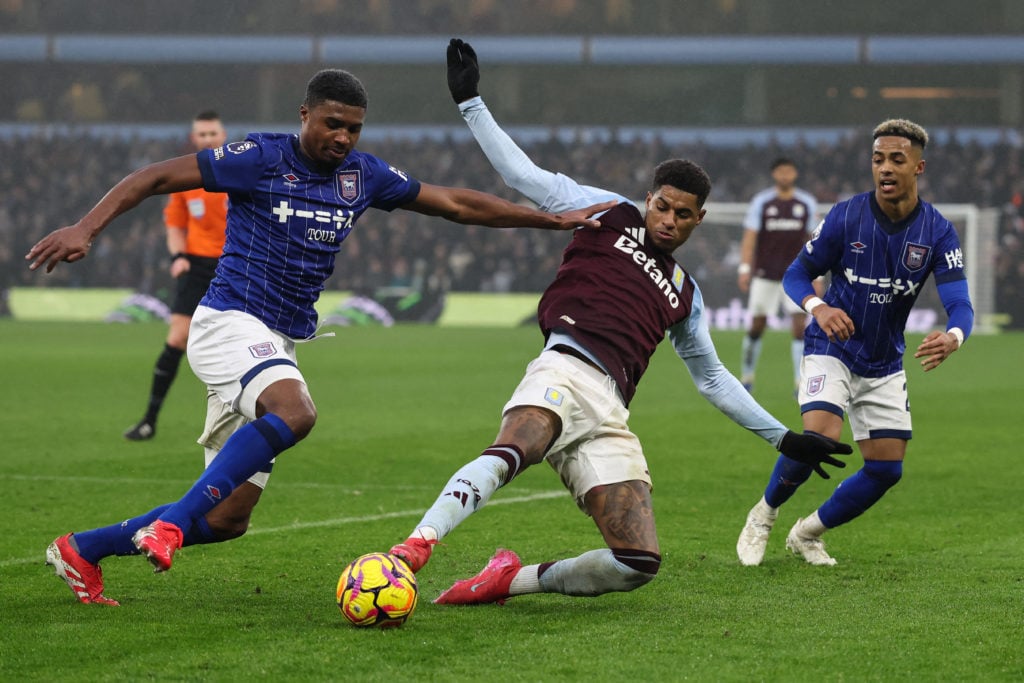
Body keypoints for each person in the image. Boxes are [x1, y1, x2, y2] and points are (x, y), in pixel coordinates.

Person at [29, 68, 616, 606]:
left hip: (274, 341)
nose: (343, 138)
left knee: (229, 519)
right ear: (304, 114)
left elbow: (455, 204)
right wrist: (86, 227)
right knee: (297, 411)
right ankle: (173, 523)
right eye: (333, 123)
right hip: (228, 321)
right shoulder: (259, 157)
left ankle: (84, 548)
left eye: (354, 128)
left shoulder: (363, 176)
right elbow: (157, 176)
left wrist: (548, 220)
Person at [386, 38, 851, 606]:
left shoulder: (686, 292)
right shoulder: (608, 211)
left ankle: (510, 579)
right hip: (563, 368)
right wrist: (470, 102)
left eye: (684, 214)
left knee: (636, 563)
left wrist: (783, 438)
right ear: (649, 197)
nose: (669, 220)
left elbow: (713, 379)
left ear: (699, 220)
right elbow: (522, 174)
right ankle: (413, 550)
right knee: (517, 446)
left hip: (609, 409)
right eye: (662, 205)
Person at [736, 118, 974, 567]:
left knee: (886, 469)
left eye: (896, 160)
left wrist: (954, 336)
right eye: (878, 159)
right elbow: (796, 274)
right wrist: (819, 308)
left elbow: (960, 304)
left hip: (884, 360)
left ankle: (807, 533)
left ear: (918, 167)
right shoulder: (846, 216)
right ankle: (763, 515)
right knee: (819, 436)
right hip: (833, 347)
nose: (884, 167)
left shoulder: (938, 231)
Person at [124, 110, 229, 441]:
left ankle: (241, 420)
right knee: (177, 339)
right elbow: (175, 225)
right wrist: (178, 256)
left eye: (213, 133)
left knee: (236, 343)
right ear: (194, 138)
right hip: (196, 265)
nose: (208, 139)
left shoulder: (239, 172)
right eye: (202, 134)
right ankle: (149, 420)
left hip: (234, 265)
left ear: (223, 136)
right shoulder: (187, 179)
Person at [737, 158, 818, 395]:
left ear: (795, 174)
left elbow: (813, 239)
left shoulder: (806, 203)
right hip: (765, 274)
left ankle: (799, 382)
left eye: (789, 171)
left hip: (796, 275)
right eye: (781, 171)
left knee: (799, 326)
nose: (785, 175)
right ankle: (747, 375)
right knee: (757, 325)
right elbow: (750, 236)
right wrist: (744, 269)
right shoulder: (762, 202)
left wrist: (818, 275)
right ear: (774, 174)